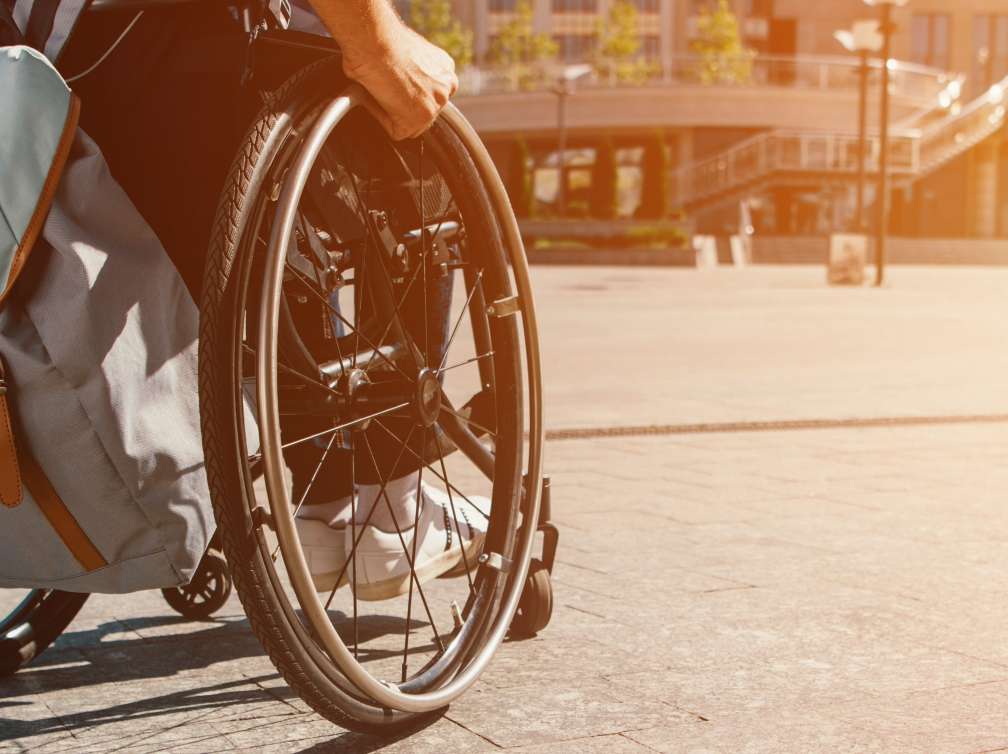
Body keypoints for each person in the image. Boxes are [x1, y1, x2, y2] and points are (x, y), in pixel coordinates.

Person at [5, 0, 488, 599]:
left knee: (266, 241)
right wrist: (382, 46)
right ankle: (394, 508)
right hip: (179, 49)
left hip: (53, 71)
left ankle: (324, 498)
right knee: (414, 127)